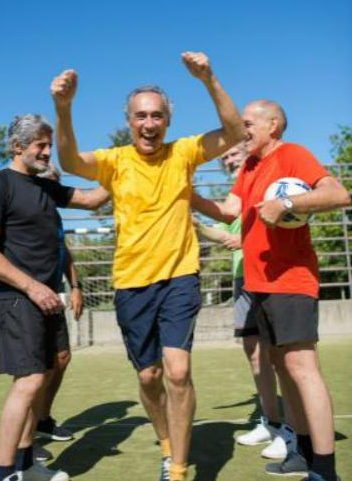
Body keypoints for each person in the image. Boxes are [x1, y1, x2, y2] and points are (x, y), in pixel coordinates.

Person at [50, 52, 244, 481]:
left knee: (178, 371)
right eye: (141, 116)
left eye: (157, 115)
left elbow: (234, 132)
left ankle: (178, 470)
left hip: (179, 277)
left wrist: (209, 79)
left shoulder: (184, 153)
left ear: (168, 121)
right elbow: (69, 162)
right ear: (129, 121)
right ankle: (166, 443)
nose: (149, 123)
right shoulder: (116, 161)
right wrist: (63, 108)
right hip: (131, 284)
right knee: (149, 377)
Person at [194, 100, 350, 481]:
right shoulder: (249, 166)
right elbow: (228, 211)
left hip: (291, 280)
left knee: (302, 368)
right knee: (282, 368)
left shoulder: (292, 154)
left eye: (248, 123)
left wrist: (286, 203)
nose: (241, 130)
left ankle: (325, 470)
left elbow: (339, 194)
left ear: (273, 125)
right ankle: (302, 452)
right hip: (258, 283)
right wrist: (184, 195)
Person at [0, 115, 109, 481]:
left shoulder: (45, 187)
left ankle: (26, 463)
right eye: (41, 145)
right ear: (17, 146)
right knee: (30, 381)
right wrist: (32, 287)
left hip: (47, 300)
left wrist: (131, 167)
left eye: (50, 145)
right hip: (19, 298)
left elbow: (92, 199)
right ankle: (4, 474)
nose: (49, 152)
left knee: (46, 374)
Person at [192, 144, 297, 460]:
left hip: (272, 274)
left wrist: (247, 240)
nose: (228, 160)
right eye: (224, 157)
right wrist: (195, 225)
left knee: (281, 356)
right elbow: (224, 235)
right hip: (243, 277)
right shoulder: (234, 199)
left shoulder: (268, 184)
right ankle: (271, 422)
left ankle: (293, 431)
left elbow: (280, 221)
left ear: (248, 154)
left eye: (233, 154)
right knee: (254, 353)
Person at [34, 162, 97, 461]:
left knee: (61, 358)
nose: (55, 187)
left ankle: (43, 420)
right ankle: (25, 440)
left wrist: (76, 286)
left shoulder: (53, 215)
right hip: (30, 298)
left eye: (57, 182)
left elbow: (64, 251)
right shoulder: (26, 212)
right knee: (36, 370)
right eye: (50, 181)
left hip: (53, 295)